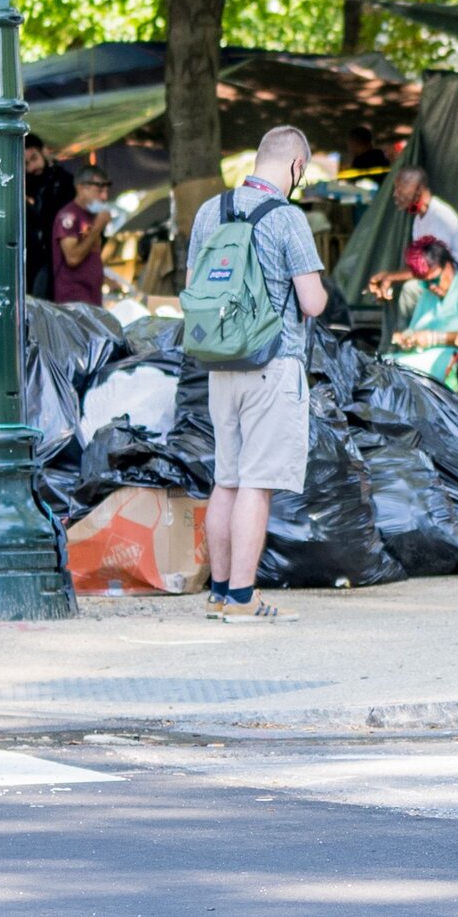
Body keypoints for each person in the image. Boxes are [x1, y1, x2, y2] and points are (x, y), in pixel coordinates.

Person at [186, 124, 328, 623]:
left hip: (219, 365)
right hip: (272, 363)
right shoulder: (287, 218)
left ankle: (220, 593)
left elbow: (193, 287)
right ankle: (245, 599)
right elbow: (311, 301)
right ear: (295, 166)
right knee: (257, 484)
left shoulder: (210, 211)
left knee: (226, 480)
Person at [368, 164, 458, 302]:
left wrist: (390, 276)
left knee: (410, 291)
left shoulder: (440, 215)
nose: (395, 194)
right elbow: (420, 267)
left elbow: (434, 268)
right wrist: (388, 279)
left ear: (418, 188)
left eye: (400, 188)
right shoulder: (419, 220)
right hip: (454, 282)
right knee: (394, 292)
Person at [392, 237, 458, 387]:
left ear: (448, 266)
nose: (431, 287)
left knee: (391, 372)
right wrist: (408, 339)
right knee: (382, 366)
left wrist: (435, 338)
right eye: (425, 282)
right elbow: (416, 328)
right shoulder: (428, 292)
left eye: (434, 280)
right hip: (425, 363)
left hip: (456, 366)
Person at [21, 134, 75, 301]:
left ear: (44, 152)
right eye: (26, 164)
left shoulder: (63, 184)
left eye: (34, 158)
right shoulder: (35, 187)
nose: (32, 167)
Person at [50, 165, 112, 304]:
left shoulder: (91, 216)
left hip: (93, 297)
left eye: (106, 191)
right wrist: (97, 228)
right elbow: (72, 258)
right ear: (81, 187)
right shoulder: (69, 216)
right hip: (74, 300)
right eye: (99, 190)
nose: (104, 197)